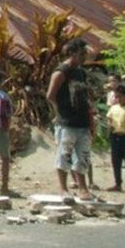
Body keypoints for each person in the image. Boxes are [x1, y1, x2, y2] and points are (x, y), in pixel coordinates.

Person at [46, 38, 94, 200]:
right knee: (64, 155)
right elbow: (50, 96)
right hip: (66, 122)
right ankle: (63, 189)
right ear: (72, 53)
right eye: (82, 53)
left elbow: (85, 96)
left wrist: (90, 117)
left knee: (83, 156)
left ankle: (83, 188)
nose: (84, 57)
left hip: (83, 122)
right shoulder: (61, 72)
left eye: (85, 53)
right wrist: (58, 113)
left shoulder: (80, 72)